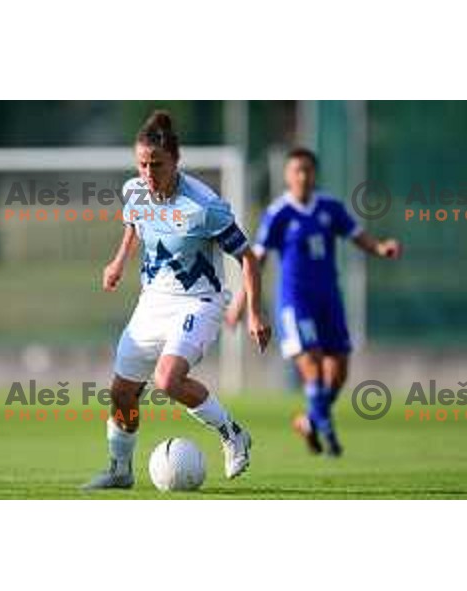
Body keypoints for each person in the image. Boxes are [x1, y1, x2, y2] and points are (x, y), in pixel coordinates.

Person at [84, 110, 270, 489]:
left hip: (199, 301)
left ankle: (233, 433)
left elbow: (247, 258)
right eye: (142, 164)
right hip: (152, 301)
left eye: (157, 165)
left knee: (167, 379)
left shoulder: (204, 206)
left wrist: (254, 313)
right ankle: (120, 471)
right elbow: (134, 224)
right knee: (122, 392)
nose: (148, 174)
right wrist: (118, 261)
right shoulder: (134, 190)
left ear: (175, 162)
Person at [226, 148, 401, 457]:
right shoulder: (278, 213)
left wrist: (381, 247)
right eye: (297, 170)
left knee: (339, 372)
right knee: (313, 366)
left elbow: (357, 235)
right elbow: (258, 261)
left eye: (307, 170)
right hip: (295, 303)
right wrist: (242, 304)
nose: (302, 176)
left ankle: (309, 420)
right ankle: (328, 433)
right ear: (287, 175)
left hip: (329, 299)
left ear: (314, 174)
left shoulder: (330, 208)